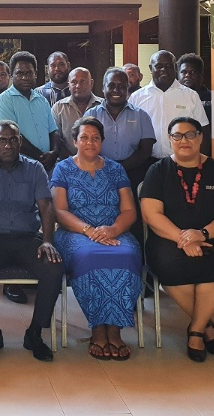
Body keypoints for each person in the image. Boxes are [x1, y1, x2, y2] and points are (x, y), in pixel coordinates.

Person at [140, 117, 214, 363]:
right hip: (169, 239)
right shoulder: (158, 171)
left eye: (190, 135)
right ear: (170, 139)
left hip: (213, 237)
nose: (183, 140)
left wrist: (202, 234)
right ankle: (205, 326)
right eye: (177, 136)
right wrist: (184, 238)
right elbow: (151, 214)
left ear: (200, 138)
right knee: (169, 265)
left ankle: (196, 330)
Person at [0, 121, 64, 362]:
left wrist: (48, 241)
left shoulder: (35, 169)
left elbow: (46, 206)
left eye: (13, 139)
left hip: (27, 238)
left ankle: (35, 333)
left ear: (20, 142)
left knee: (53, 267)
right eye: (2, 140)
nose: (8, 144)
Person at [51, 116, 142, 361]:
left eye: (95, 138)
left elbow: (129, 210)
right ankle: (98, 328)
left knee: (128, 254)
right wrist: (89, 231)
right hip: (75, 233)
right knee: (90, 255)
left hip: (116, 231)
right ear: (74, 141)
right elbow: (59, 211)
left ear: (102, 141)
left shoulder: (115, 169)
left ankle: (115, 329)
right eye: (84, 137)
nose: (90, 142)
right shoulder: (63, 168)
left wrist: (112, 230)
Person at [84, 69, 155, 244]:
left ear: (128, 89)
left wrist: (120, 168)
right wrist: (107, 168)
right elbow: (85, 148)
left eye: (122, 86)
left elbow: (146, 149)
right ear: (103, 88)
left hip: (133, 173)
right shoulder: (91, 115)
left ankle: (136, 256)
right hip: (98, 174)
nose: (117, 90)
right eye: (112, 85)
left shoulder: (141, 115)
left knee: (133, 217)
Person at [129, 50, 209, 159]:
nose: (164, 69)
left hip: (183, 161)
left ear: (175, 67)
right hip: (146, 162)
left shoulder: (190, 96)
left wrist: (199, 161)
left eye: (168, 66)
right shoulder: (137, 97)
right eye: (159, 66)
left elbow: (203, 130)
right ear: (150, 68)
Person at [0, 51, 60, 173]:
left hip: (47, 167)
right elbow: (10, 137)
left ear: (35, 74)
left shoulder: (42, 100)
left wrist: (54, 153)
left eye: (29, 73)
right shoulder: (3, 101)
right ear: (11, 75)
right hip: (20, 169)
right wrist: (41, 157)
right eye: (20, 73)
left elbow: (53, 130)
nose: (25, 77)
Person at [52, 67, 102, 159]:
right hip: (68, 163)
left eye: (82, 81)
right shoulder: (58, 108)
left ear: (91, 84)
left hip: (99, 163)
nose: (78, 86)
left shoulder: (103, 106)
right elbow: (56, 139)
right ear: (69, 85)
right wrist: (74, 162)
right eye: (74, 82)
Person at [177, 53, 212, 125]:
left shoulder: (212, 98)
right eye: (183, 72)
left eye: (192, 72)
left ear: (201, 75)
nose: (187, 75)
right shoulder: (173, 97)